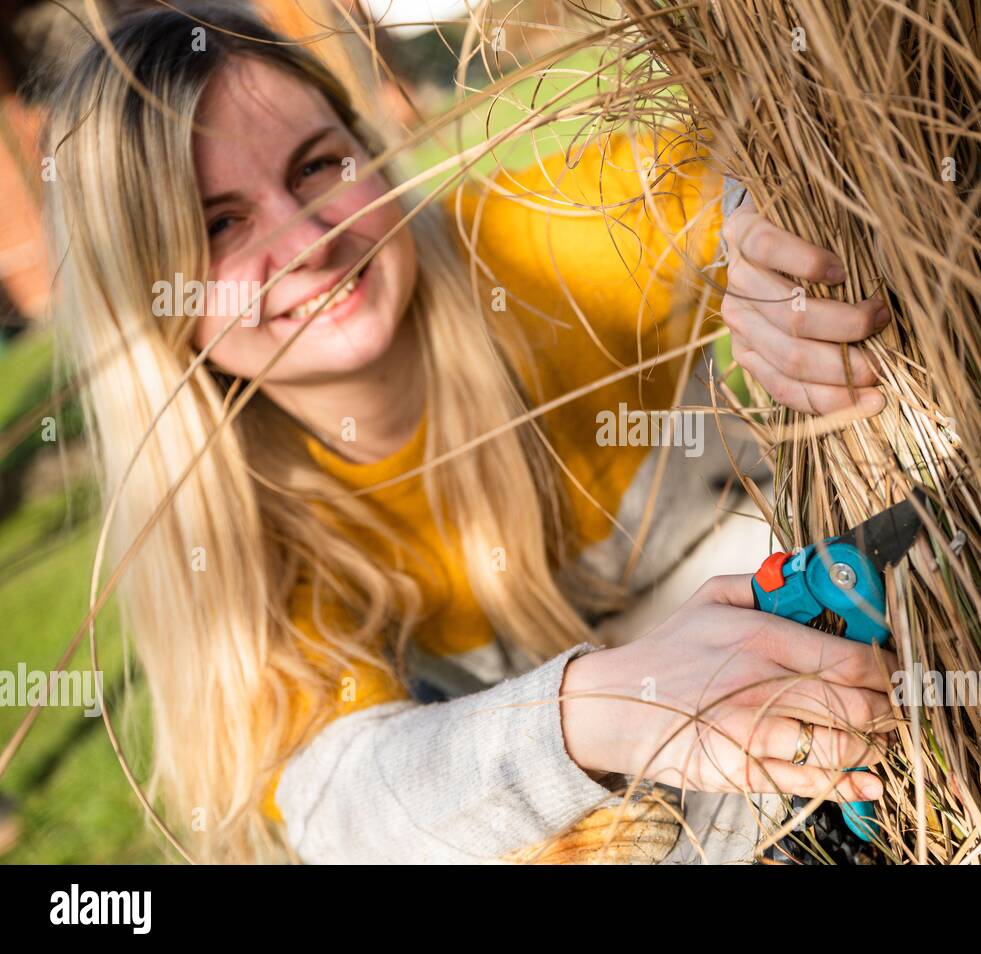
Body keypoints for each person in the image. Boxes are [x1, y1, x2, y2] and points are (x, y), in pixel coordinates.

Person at [42, 5, 898, 863]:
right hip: (596, 751)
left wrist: (766, 254)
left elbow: (737, 171)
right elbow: (345, 804)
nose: (308, 242)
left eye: (316, 167)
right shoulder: (234, 517)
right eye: (221, 224)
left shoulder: (524, 247)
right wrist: (596, 710)